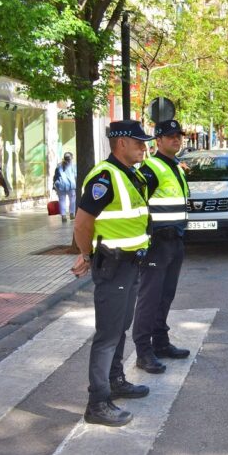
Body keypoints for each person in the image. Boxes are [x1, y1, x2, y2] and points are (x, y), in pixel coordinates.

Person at [70, 120, 153, 427]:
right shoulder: (104, 177)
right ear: (121, 144)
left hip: (130, 264)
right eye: (138, 142)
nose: (144, 147)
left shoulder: (129, 174)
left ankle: (116, 380)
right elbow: (82, 223)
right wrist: (87, 254)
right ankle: (97, 402)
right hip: (113, 264)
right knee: (108, 334)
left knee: (120, 328)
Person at [133, 119, 190, 374]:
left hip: (175, 240)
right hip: (157, 243)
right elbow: (138, 205)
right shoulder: (151, 169)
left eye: (178, 136)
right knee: (150, 297)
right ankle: (143, 352)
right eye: (170, 136)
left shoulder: (174, 166)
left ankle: (161, 342)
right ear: (158, 141)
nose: (176, 140)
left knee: (166, 295)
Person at [53, 152, 77, 222]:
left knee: (62, 201)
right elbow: (76, 176)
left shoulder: (59, 165)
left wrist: (54, 185)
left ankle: (63, 216)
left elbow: (55, 176)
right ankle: (72, 214)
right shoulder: (73, 166)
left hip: (61, 186)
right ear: (71, 158)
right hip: (71, 186)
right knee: (72, 200)